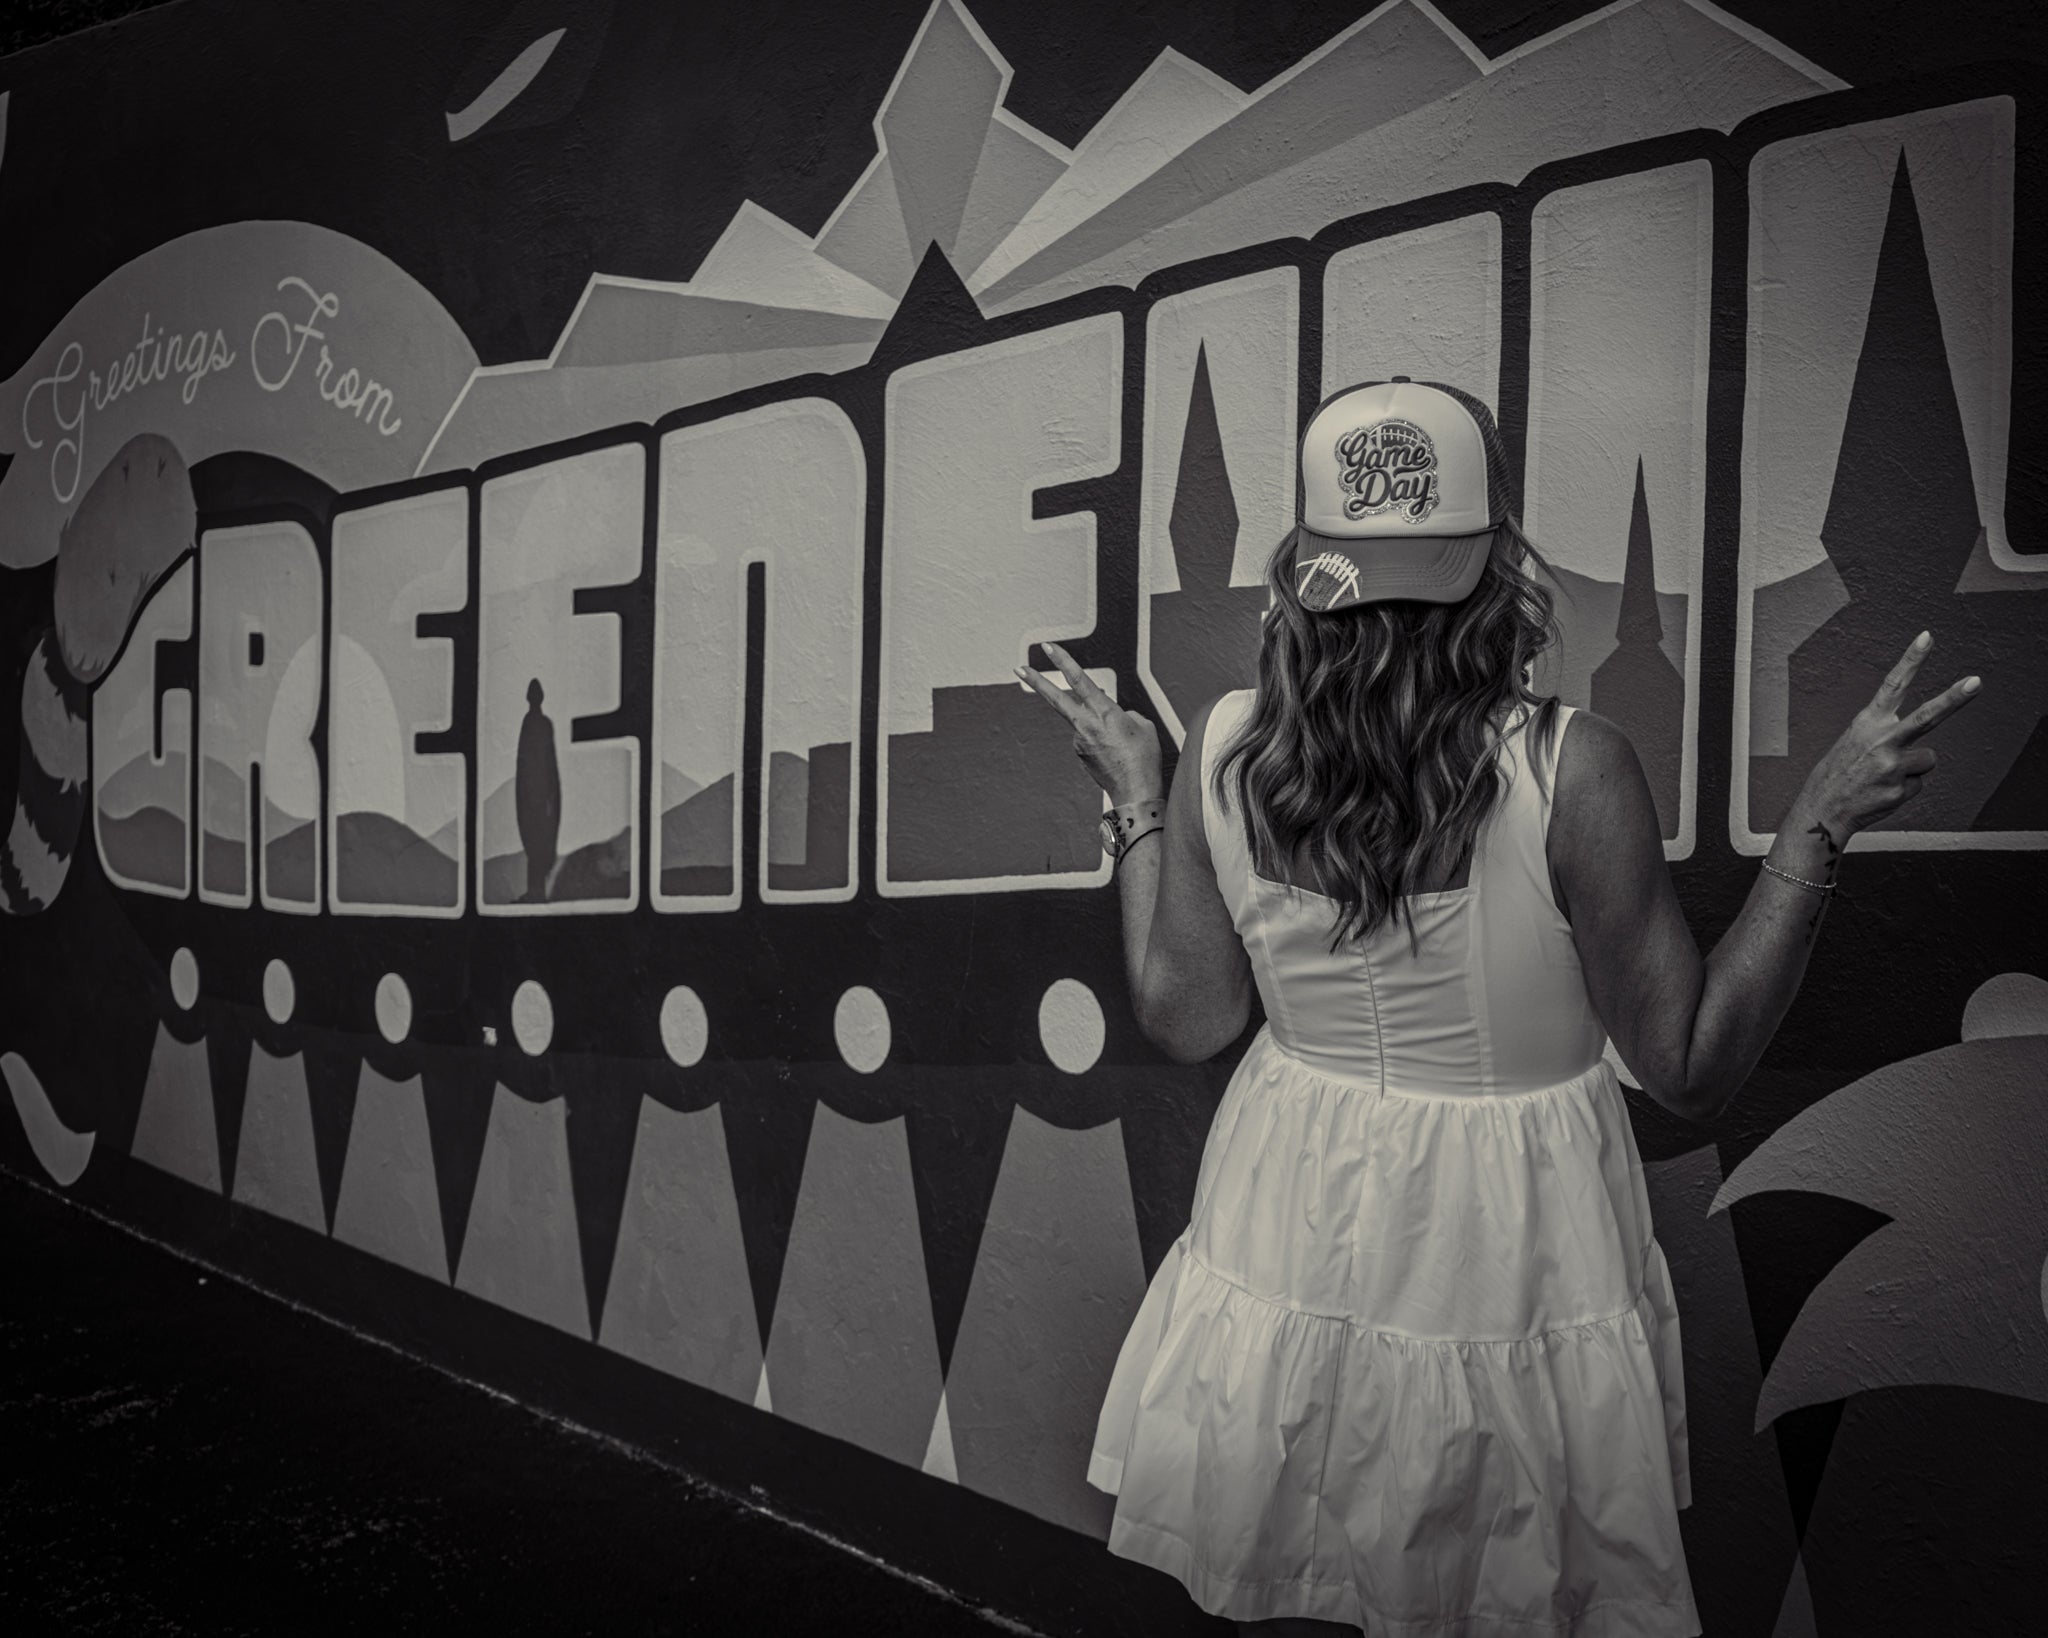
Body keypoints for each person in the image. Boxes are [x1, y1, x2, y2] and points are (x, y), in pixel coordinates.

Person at [1017, 379, 1980, 1636]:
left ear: (1301, 568)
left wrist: (1139, 796)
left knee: (1304, 1550)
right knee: (1494, 1584)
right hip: (1504, 1227)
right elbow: (1684, 1068)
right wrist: (1814, 827)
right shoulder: (1570, 766)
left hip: (1285, 1186)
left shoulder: (1223, 745)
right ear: (1494, 568)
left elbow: (1188, 1018)